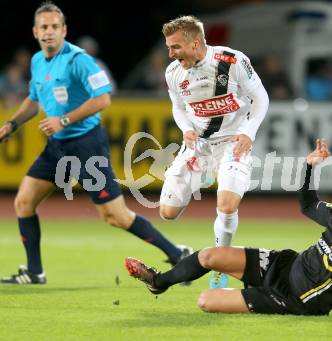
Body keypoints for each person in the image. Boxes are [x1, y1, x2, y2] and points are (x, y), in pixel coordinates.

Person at [0, 2, 191, 285]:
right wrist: (13, 124)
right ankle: (34, 272)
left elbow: (103, 99)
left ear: (64, 30)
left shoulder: (79, 60)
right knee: (24, 202)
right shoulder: (38, 61)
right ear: (35, 31)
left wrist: (63, 120)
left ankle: (177, 254)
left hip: (85, 146)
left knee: (115, 216)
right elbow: (34, 99)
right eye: (44, 27)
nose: (49, 32)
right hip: (57, 147)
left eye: (54, 26)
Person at [125, 139, 332, 319]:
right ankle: (157, 282)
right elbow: (308, 206)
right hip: (285, 264)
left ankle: (255, 293)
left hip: (295, 299)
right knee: (210, 256)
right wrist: (309, 168)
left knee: (206, 301)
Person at [158, 15, 269, 289]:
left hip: (233, 143)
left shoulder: (232, 61)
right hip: (199, 147)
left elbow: (261, 98)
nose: (170, 53)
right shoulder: (173, 73)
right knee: (167, 213)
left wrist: (248, 132)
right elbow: (178, 108)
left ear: (195, 44)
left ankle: (220, 266)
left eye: (175, 47)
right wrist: (186, 128)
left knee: (227, 206)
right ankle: (205, 174)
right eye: (169, 47)